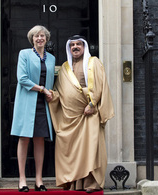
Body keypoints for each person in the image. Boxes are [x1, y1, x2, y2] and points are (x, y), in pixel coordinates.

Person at [48, 35, 114, 193]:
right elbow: (60, 91)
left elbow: (100, 84)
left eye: (78, 44)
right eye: (72, 45)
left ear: (84, 47)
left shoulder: (94, 63)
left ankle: (91, 184)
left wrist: (92, 104)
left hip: (89, 113)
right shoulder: (65, 68)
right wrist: (51, 95)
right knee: (74, 151)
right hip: (70, 118)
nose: (75, 47)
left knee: (91, 149)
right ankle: (76, 183)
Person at [10, 25, 55, 192]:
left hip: (42, 104)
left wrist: (49, 93)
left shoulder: (51, 58)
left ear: (46, 39)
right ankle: (22, 179)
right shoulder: (25, 54)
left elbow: (51, 80)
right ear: (32, 39)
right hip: (27, 101)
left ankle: (38, 179)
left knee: (39, 139)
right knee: (24, 138)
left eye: (42, 36)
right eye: (36, 36)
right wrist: (42, 89)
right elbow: (22, 78)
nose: (40, 38)